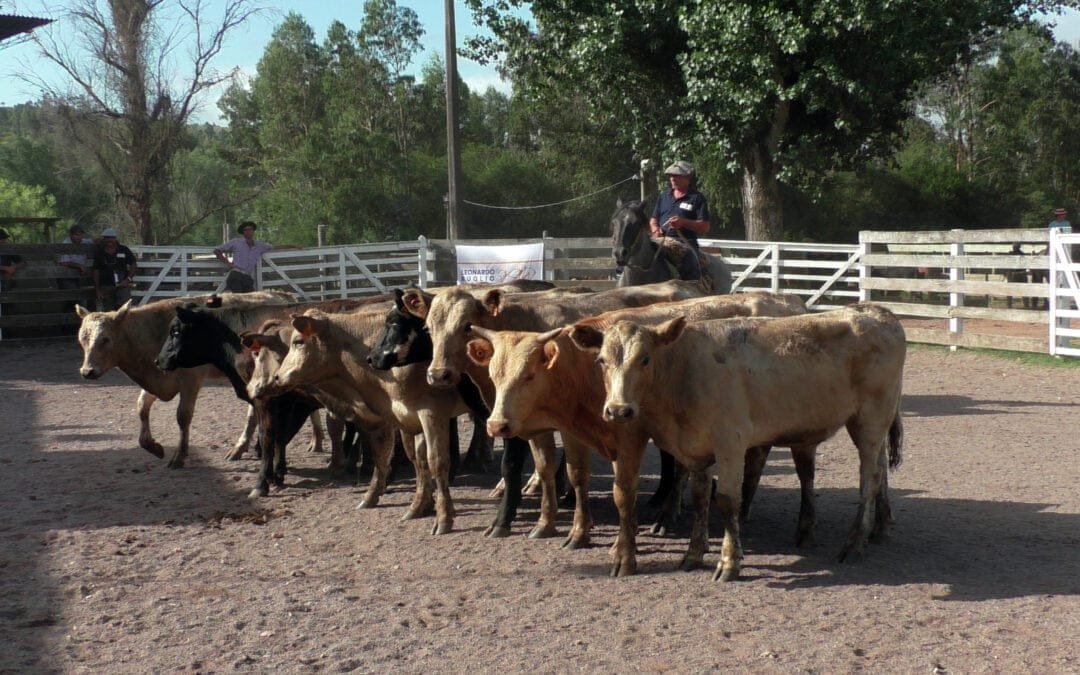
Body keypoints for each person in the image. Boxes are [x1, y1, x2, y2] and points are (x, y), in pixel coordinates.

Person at [649, 160, 711, 280]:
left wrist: (683, 222)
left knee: (690, 262)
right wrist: (655, 229)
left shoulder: (697, 198)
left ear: (687, 178)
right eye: (671, 176)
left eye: (676, 176)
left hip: (685, 242)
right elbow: (653, 219)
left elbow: (705, 227)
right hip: (660, 240)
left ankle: (692, 288)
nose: (672, 179)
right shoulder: (663, 197)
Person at [214, 220, 300, 292]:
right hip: (236, 274)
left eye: (250, 229)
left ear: (253, 231)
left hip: (247, 277)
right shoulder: (236, 242)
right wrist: (228, 263)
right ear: (243, 232)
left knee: (251, 299)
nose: (248, 231)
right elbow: (217, 250)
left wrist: (292, 245)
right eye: (245, 230)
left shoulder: (259, 246)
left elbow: (275, 247)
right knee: (240, 300)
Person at [92, 227, 137, 311]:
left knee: (125, 310)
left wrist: (128, 279)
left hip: (122, 285)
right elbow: (96, 270)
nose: (109, 240)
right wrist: (97, 289)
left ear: (115, 238)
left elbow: (133, 265)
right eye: (107, 238)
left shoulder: (123, 249)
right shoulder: (99, 252)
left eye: (112, 237)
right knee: (109, 312)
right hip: (106, 286)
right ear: (103, 239)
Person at [58, 223, 94, 309]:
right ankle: (70, 319)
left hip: (80, 277)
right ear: (71, 235)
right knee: (75, 297)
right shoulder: (65, 244)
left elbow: (94, 241)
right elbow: (63, 262)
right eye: (77, 235)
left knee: (89, 295)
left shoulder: (84, 242)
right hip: (66, 278)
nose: (79, 237)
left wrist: (105, 239)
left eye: (81, 235)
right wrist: (79, 266)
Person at [0, 228, 27, 292]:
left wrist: (12, 268)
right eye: (2, 239)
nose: (4, 241)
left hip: (4, 280)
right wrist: (5, 268)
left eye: (4, 239)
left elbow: (23, 263)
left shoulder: (8, 249)